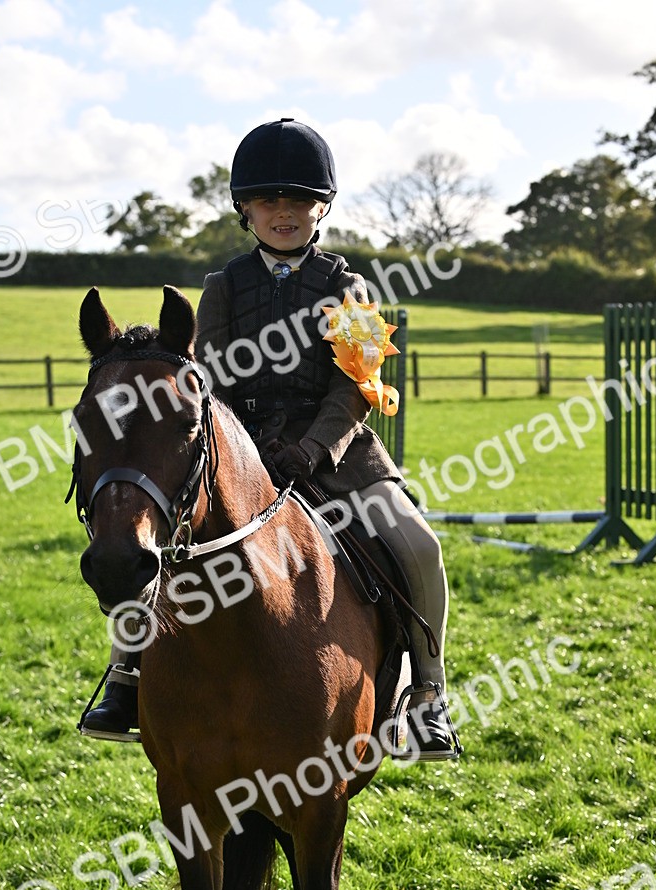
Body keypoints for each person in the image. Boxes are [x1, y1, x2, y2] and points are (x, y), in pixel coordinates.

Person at [81, 118, 455, 759]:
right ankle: (126, 673)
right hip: (241, 449)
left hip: (334, 448)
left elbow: (357, 384)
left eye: (300, 201)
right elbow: (209, 378)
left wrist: (311, 448)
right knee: (148, 539)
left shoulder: (351, 290)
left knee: (418, 545)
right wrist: (245, 447)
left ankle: (426, 695)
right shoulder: (222, 289)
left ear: (321, 208)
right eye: (269, 202)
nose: (284, 213)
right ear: (244, 210)